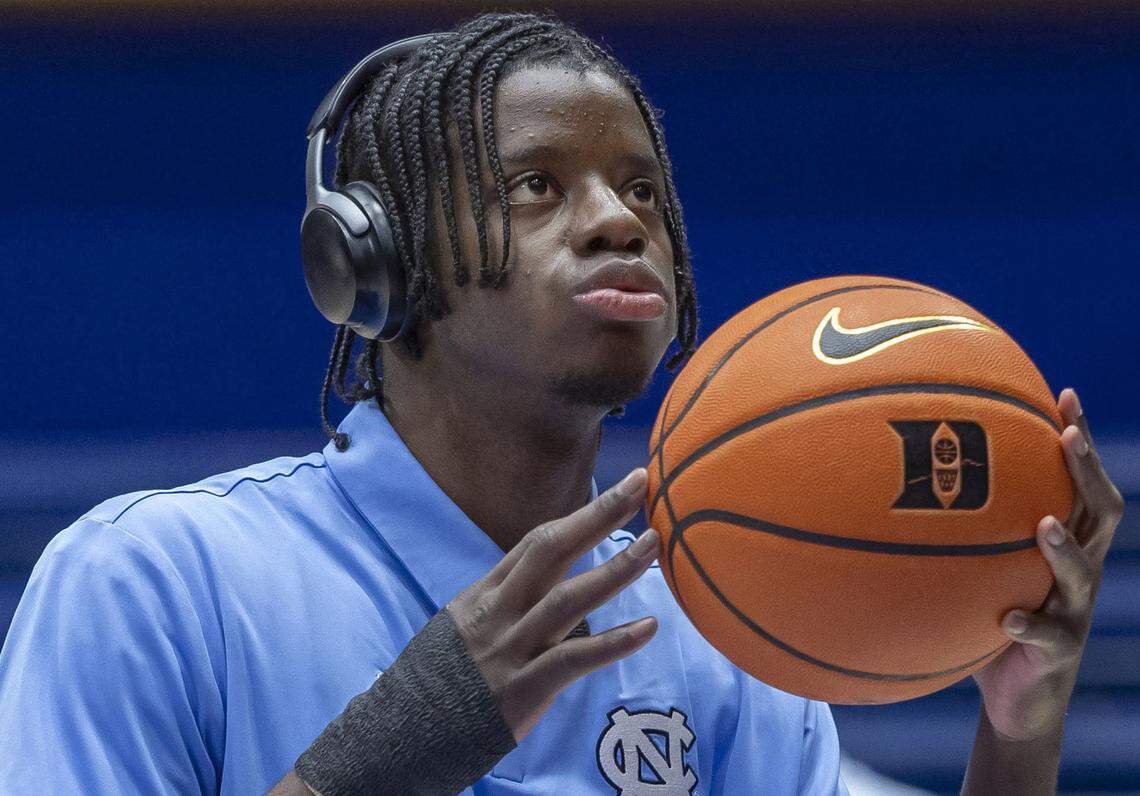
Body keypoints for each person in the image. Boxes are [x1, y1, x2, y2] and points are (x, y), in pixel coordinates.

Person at [0, 11, 1122, 796]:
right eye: (537, 186)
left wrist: (1015, 739)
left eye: (641, 190)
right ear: (372, 264)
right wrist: (387, 758)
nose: (616, 220)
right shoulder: (154, 581)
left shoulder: (733, 629)